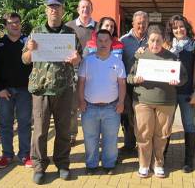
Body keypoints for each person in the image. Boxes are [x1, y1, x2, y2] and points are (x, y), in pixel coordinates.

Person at [22, 0, 82, 185]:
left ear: (63, 10)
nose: (54, 10)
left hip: (63, 89)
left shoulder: (70, 34)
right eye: (50, 7)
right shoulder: (36, 32)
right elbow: (25, 59)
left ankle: (62, 164)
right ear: (46, 10)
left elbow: (78, 57)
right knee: (39, 131)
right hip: (41, 90)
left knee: (63, 130)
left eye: (57, 7)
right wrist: (30, 51)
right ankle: (40, 166)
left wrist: (75, 60)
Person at [127, 25, 188, 178]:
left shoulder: (172, 57)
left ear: (163, 40)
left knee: (162, 135)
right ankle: (144, 164)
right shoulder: (139, 56)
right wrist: (135, 79)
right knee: (143, 134)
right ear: (147, 40)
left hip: (166, 102)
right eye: (152, 40)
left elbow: (184, 77)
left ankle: (158, 164)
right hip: (143, 101)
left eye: (158, 41)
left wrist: (177, 81)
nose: (155, 44)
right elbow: (128, 77)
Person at [78, 29, 126, 175]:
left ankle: (109, 164)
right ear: (95, 42)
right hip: (89, 108)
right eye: (100, 40)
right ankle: (91, 165)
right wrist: (81, 101)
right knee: (90, 139)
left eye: (106, 41)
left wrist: (121, 102)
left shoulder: (117, 62)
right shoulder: (87, 61)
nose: (103, 43)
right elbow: (81, 83)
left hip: (111, 108)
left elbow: (122, 84)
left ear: (111, 42)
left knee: (111, 139)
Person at [164, 14, 195, 173]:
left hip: (188, 93)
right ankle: (161, 158)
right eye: (175, 27)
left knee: (189, 125)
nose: (178, 30)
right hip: (168, 94)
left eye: (181, 26)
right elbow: (154, 59)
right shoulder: (167, 45)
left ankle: (189, 161)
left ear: (186, 27)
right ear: (171, 30)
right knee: (165, 125)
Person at [0, 13, 33, 169]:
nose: (14, 25)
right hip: (5, 91)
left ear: (21, 24)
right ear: (6, 25)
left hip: (25, 90)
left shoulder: (28, 42)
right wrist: (0, 88)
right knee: (5, 124)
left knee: (25, 124)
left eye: (17, 22)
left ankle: (25, 154)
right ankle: (7, 155)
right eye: (10, 23)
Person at [65, 0, 97, 146]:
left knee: (93, 105)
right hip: (74, 71)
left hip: (94, 72)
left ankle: (93, 134)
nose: (85, 10)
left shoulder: (98, 27)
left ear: (92, 9)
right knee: (72, 106)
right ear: (78, 9)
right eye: (82, 7)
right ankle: (72, 134)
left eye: (88, 7)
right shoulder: (68, 27)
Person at [119, 11, 149, 155]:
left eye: (144, 23)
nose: (141, 25)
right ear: (133, 24)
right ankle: (129, 144)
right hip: (128, 84)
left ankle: (143, 145)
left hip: (147, 85)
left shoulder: (153, 40)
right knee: (127, 114)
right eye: (138, 23)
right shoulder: (123, 40)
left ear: (147, 24)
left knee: (144, 116)